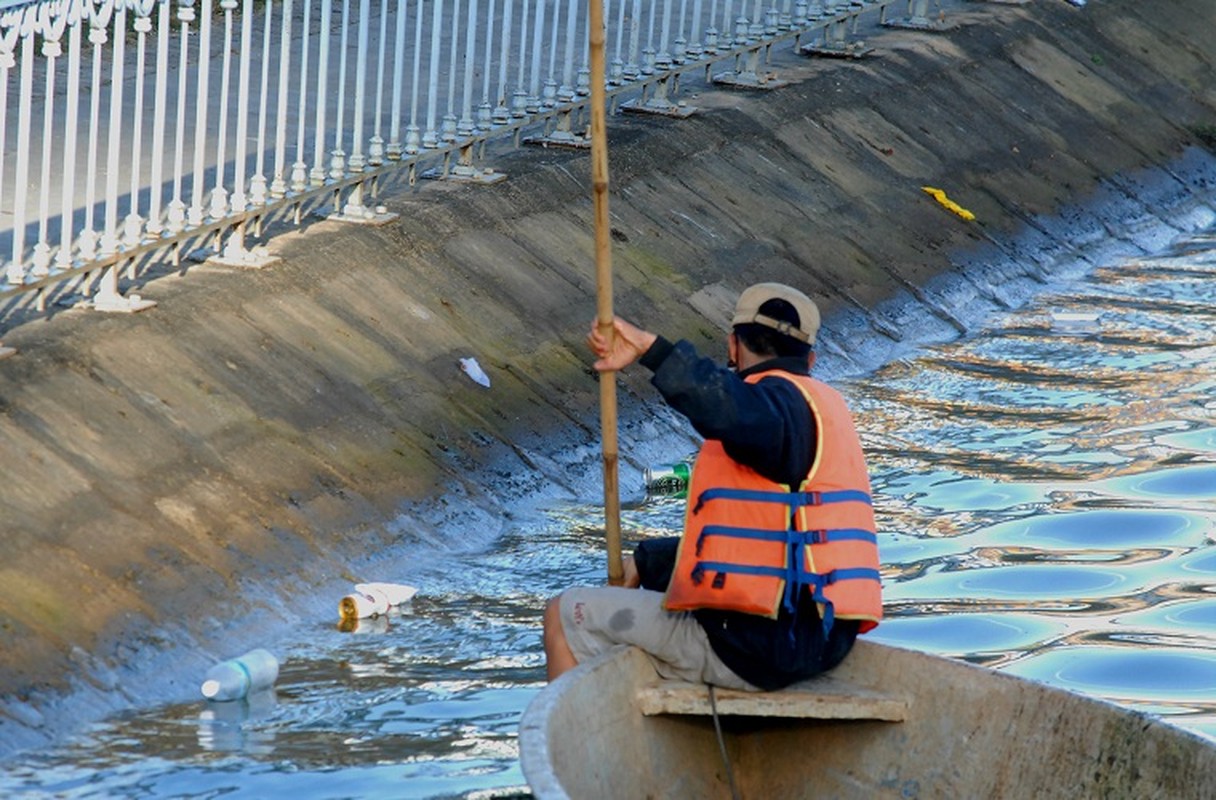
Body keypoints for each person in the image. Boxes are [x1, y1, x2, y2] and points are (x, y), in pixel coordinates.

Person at [542, 282, 883, 691]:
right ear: (810, 358)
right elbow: (762, 546)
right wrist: (650, 562)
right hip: (825, 642)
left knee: (562, 614)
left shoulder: (774, 409)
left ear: (733, 347)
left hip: (758, 650)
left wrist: (655, 351)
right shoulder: (823, 409)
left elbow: (734, 413)